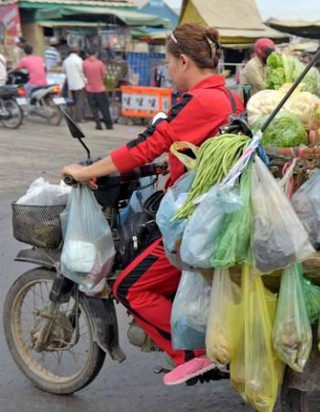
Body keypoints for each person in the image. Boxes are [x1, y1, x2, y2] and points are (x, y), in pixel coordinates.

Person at [61, 23, 244, 386]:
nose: (168, 73)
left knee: (130, 286)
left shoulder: (199, 100)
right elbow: (190, 149)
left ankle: (194, 355)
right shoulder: (227, 95)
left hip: (195, 221)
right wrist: (165, 164)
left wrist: (87, 171)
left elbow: (148, 143)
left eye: (169, 64)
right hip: (212, 210)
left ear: (184, 61)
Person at [83, 49, 113, 130]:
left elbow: (84, 74)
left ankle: (98, 124)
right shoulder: (100, 63)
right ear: (96, 53)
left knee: (94, 109)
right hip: (100, 89)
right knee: (104, 108)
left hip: (90, 89)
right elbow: (104, 74)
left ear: (87, 54)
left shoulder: (84, 63)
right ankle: (109, 125)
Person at [62, 48, 87, 122]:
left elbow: (64, 71)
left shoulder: (66, 61)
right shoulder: (79, 60)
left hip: (71, 84)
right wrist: (85, 81)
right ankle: (79, 118)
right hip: (79, 83)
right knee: (80, 101)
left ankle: (72, 116)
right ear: (77, 52)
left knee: (73, 101)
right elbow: (82, 72)